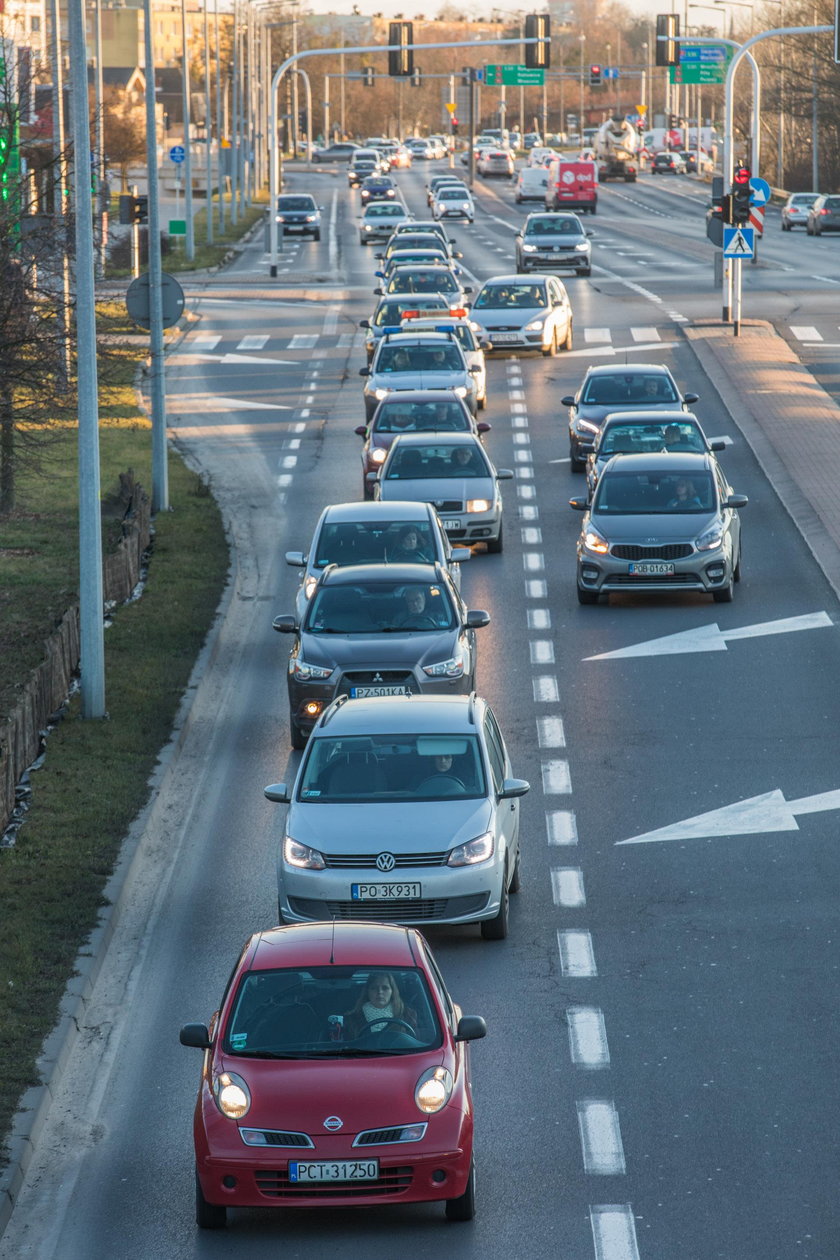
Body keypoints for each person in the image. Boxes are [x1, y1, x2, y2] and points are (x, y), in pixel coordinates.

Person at [344, 972, 416, 1039]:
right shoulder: (352, 1018)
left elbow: (416, 1044)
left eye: (385, 988)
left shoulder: (408, 1015)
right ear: (367, 992)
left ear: (392, 991)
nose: (380, 992)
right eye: (374, 988)